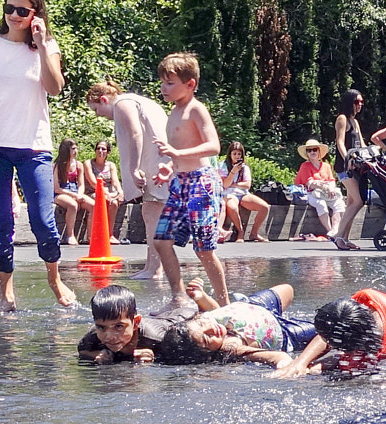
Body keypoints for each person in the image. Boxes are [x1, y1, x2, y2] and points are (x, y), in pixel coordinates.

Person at [0, 0, 76, 310]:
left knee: (42, 221)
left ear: (35, 14)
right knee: (1, 221)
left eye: (22, 10)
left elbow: (55, 87)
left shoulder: (47, 47)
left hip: (33, 145)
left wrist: (43, 43)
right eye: (9, 9)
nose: (14, 15)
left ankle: (54, 278)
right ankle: (6, 290)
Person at [148, 52, 226, 308]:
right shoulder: (174, 111)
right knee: (160, 240)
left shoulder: (195, 109)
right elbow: (178, 152)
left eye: (170, 83)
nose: (163, 88)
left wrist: (178, 154)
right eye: (162, 82)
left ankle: (224, 304)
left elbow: (214, 146)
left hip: (201, 182)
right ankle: (178, 296)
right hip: (180, 182)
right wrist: (169, 168)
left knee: (203, 249)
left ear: (190, 84)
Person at [84, 82, 171, 277]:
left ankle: (155, 269)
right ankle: (151, 266)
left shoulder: (122, 103)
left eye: (96, 109)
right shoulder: (138, 101)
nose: (98, 114)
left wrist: (134, 168)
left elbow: (135, 133)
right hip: (160, 162)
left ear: (104, 100)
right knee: (150, 212)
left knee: (152, 213)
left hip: (156, 164)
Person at [154, 281, 317, 366]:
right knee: (324, 332)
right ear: (206, 353)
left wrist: (201, 298)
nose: (212, 330)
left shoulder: (204, 320)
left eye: (203, 326)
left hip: (255, 305)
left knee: (287, 289)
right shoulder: (231, 348)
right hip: (285, 332)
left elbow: (216, 310)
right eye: (206, 339)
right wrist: (285, 365)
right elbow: (278, 356)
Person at [330, 88, 368, 251]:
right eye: (356, 102)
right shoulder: (342, 119)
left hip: (357, 166)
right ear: (349, 102)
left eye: (361, 102)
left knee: (351, 202)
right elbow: (340, 142)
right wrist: (348, 159)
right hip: (345, 167)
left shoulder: (355, 121)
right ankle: (338, 236)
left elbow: (361, 143)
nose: (359, 105)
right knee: (359, 200)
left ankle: (345, 238)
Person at [78, 283, 153, 364]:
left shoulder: (155, 338)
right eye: (101, 327)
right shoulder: (93, 336)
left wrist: (154, 357)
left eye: (118, 326)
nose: (110, 337)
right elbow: (82, 351)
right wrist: (97, 354)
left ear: (135, 323)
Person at [217, 140, 269, 244]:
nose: (237, 156)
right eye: (234, 154)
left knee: (264, 207)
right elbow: (225, 185)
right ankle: (240, 232)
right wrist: (233, 172)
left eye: (239, 154)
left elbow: (247, 184)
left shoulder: (244, 167)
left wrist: (235, 184)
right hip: (229, 193)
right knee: (232, 206)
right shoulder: (222, 165)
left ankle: (254, 232)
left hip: (243, 193)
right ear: (230, 154)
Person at [289, 140, 342, 240]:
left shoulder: (326, 166)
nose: (312, 152)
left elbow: (331, 180)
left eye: (314, 150)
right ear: (307, 153)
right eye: (309, 150)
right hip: (310, 194)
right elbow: (310, 184)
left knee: (339, 204)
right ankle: (330, 231)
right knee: (320, 204)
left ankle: (335, 230)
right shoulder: (305, 166)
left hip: (326, 193)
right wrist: (325, 186)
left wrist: (330, 188)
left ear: (319, 152)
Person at [51, 137, 92, 244]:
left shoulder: (79, 165)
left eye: (76, 148)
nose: (75, 151)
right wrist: (72, 195)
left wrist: (79, 194)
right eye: (73, 149)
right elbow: (57, 188)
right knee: (72, 205)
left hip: (74, 190)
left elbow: (81, 184)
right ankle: (70, 235)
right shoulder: (57, 166)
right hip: (61, 192)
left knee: (94, 205)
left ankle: (91, 236)